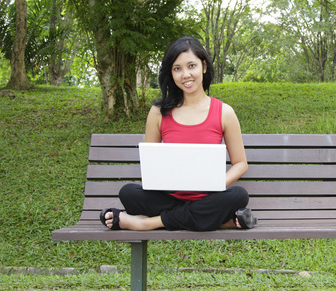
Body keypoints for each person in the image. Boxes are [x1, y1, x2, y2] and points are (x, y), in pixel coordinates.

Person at [100, 36, 257, 231]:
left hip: (208, 197)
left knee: (238, 195)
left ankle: (148, 223)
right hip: (169, 196)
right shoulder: (158, 112)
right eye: (177, 68)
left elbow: (241, 164)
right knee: (128, 193)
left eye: (191, 66)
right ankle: (221, 222)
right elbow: (150, 164)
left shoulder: (224, 112)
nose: (185, 74)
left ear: (204, 67)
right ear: (171, 73)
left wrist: (215, 183)